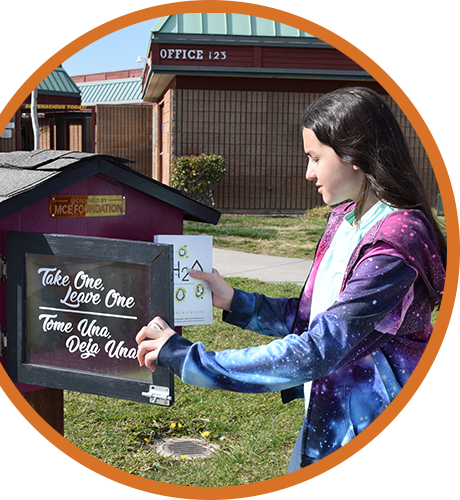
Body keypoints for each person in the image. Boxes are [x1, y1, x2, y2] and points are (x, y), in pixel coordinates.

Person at [136, 86, 447, 487]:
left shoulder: (396, 243)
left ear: (355, 154)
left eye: (315, 158)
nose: (308, 173)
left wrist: (188, 359)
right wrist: (235, 301)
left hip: (372, 455)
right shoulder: (345, 221)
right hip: (326, 433)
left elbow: (318, 349)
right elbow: (312, 320)